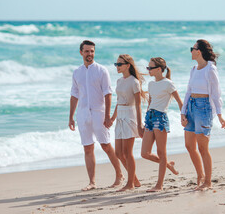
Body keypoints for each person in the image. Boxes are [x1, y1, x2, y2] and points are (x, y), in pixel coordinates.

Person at [69, 40, 123, 191]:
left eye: (92, 51)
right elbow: (74, 95)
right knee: (87, 148)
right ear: (81, 53)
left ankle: (119, 174)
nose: (90, 54)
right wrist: (71, 117)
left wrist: (107, 116)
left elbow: (108, 93)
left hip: (99, 113)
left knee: (106, 145)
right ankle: (92, 182)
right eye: (87, 51)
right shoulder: (77, 72)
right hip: (82, 114)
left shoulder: (101, 70)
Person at [181, 39, 225, 191]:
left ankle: (207, 181)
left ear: (198, 51)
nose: (191, 51)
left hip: (204, 108)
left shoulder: (210, 69)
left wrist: (219, 114)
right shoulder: (194, 69)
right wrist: (183, 111)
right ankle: (200, 175)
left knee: (202, 148)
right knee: (189, 145)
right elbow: (188, 91)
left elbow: (215, 93)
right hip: (191, 107)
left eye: (192, 49)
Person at [141, 57, 183, 192]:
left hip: (160, 117)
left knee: (161, 152)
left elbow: (179, 102)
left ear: (159, 69)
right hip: (150, 117)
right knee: (144, 153)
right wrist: (145, 118)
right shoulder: (151, 84)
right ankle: (168, 166)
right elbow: (150, 102)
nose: (148, 70)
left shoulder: (168, 84)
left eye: (150, 68)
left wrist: (184, 117)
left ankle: (159, 185)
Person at [110, 54, 146, 192]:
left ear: (127, 65)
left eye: (119, 64)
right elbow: (118, 102)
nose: (117, 67)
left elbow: (138, 105)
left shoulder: (134, 82)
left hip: (130, 116)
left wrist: (139, 124)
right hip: (120, 116)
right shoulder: (119, 81)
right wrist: (113, 118)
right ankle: (135, 180)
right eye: (116, 64)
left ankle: (130, 183)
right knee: (118, 153)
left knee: (127, 152)